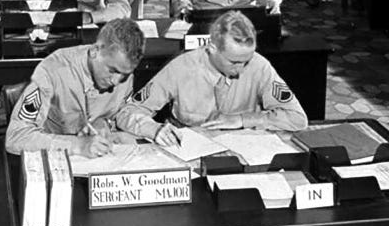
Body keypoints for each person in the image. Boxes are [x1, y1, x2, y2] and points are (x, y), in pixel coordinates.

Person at [6, 19, 146, 226]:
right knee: (66, 222)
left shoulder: (122, 74)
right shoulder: (53, 70)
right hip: (46, 170)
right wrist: (77, 145)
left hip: (92, 166)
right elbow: (16, 138)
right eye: (112, 70)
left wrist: (120, 129)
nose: (117, 80)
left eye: (126, 73)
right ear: (96, 50)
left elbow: (117, 111)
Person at [117, 10, 307, 141]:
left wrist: (243, 120)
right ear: (212, 49)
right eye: (233, 62)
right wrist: (153, 129)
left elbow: (297, 118)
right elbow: (128, 112)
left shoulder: (259, 66)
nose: (241, 70)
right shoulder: (181, 67)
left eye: (246, 61)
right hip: (188, 146)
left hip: (243, 147)